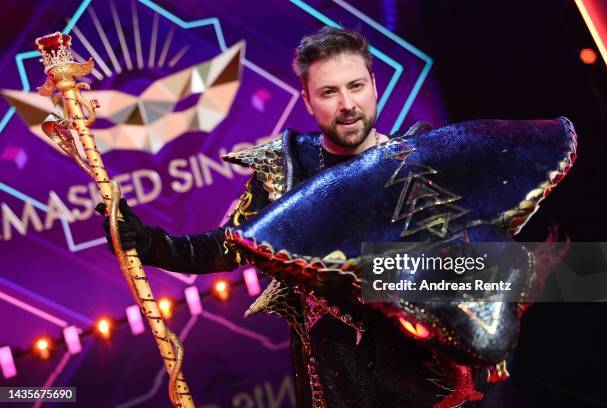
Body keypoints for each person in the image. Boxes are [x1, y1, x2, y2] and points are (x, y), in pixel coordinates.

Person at [97, 26, 578, 407]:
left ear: (374, 85)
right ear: (307, 100)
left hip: (440, 382)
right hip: (341, 376)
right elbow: (233, 245)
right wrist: (149, 241)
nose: (347, 105)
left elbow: (487, 268)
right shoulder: (288, 172)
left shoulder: (427, 157)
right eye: (329, 92)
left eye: (356, 86)